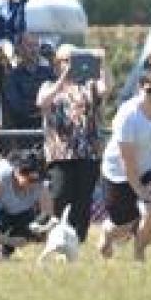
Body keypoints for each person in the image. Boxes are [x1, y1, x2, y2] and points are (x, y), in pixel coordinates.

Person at [98, 69, 151, 262]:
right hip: (118, 172)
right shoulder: (127, 114)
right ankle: (108, 235)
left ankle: (139, 252)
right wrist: (140, 190)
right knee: (124, 226)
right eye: (150, 90)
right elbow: (127, 160)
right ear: (139, 89)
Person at [36, 43, 107, 243]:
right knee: (59, 195)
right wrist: (63, 80)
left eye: (72, 61)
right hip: (60, 153)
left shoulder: (89, 86)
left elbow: (105, 89)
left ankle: (78, 239)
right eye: (65, 60)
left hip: (88, 152)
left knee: (83, 199)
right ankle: (56, 236)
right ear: (57, 63)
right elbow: (42, 102)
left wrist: (102, 64)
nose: (69, 65)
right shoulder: (49, 86)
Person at [0, 149, 52, 254]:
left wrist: (40, 230)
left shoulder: (40, 184)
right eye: (30, 180)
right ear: (17, 171)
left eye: (37, 181)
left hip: (22, 213)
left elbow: (48, 213)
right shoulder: (1, 176)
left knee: (32, 225)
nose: (33, 185)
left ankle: (6, 251)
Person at [4, 33, 55, 136]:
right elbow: (18, 106)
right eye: (29, 45)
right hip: (23, 133)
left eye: (36, 45)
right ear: (20, 48)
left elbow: (58, 98)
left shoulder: (49, 73)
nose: (33, 49)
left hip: (50, 131)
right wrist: (43, 107)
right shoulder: (12, 77)